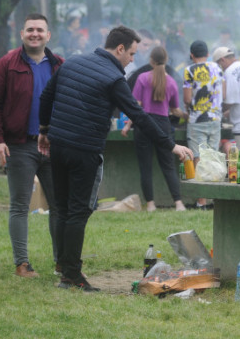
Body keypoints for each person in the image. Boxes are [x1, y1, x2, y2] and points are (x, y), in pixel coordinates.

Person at [38, 26, 193, 291]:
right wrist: (170, 145)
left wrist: (44, 130)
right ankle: (72, 276)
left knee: (62, 208)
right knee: (77, 211)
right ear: (119, 49)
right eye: (132, 53)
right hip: (84, 150)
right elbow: (140, 116)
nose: (133, 59)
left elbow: (46, 96)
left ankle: (64, 267)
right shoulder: (113, 77)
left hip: (59, 146)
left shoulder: (72, 62)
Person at [0, 13, 63, 278]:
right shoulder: (7, 64)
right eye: (30, 29)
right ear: (22, 34)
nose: (35, 34)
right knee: (20, 206)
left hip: (54, 147)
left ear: (48, 35)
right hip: (19, 145)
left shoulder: (59, 65)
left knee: (59, 205)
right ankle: (22, 264)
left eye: (40, 30)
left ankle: (62, 262)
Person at [123, 45, 187, 212]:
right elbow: (175, 111)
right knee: (168, 166)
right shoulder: (171, 82)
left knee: (146, 167)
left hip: (144, 125)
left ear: (151, 61)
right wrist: (188, 116)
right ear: (166, 61)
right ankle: (179, 203)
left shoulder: (143, 78)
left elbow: (135, 106)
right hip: (163, 125)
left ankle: (151, 204)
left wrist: (128, 124)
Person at [183, 40, 225, 209]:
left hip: (197, 121)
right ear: (207, 54)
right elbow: (225, 93)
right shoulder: (217, 68)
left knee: (199, 159)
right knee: (213, 157)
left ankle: (201, 202)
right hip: (215, 119)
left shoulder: (189, 70)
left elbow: (186, 98)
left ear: (192, 55)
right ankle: (213, 198)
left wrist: (189, 108)